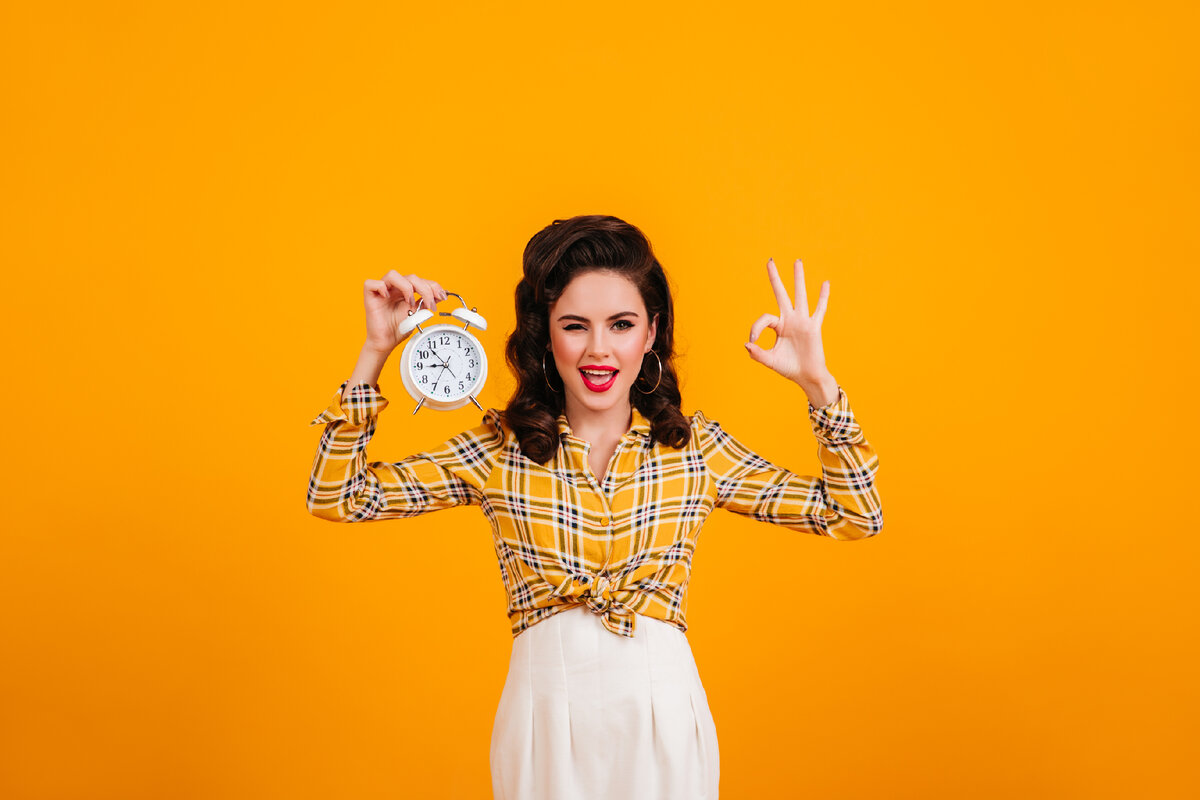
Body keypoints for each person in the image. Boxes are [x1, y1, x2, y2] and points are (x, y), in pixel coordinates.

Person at [306, 215, 883, 799]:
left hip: (664, 722)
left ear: (651, 332)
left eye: (622, 324)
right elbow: (338, 496)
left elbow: (854, 514)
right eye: (575, 326)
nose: (599, 349)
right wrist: (376, 350)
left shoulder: (695, 448)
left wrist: (818, 385)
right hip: (544, 721)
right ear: (545, 334)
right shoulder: (499, 450)